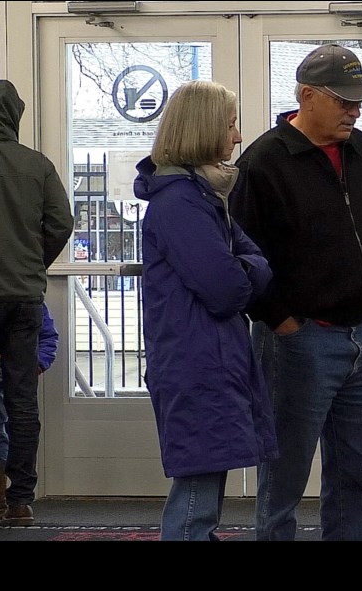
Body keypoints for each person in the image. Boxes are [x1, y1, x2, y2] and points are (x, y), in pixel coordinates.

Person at [230, 44, 362, 541]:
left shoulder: (361, 149)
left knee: (359, 473)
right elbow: (242, 256)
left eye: (359, 101)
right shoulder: (263, 162)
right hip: (298, 341)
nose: (354, 110)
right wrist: (281, 321)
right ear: (306, 95)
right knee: (284, 477)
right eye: (343, 100)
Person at [133, 79, 278, 541]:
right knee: (196, 500)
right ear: (202, 129)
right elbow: (228, 290)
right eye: (230, 125)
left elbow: (246, 259)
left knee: (203, 487)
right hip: (197, 361)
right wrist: (251, 268)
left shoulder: (200, 197)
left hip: (206, 357)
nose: (237, 137)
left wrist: (247, 265)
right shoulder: (181, 202)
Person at [0, 79, 74, 526]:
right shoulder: (37, 165)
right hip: (24, 297)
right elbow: (62, 221)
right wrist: (32, 263)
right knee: (21, 401)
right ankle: (20, 500)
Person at [0, 303, 58, 519]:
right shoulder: (29, 294)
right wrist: (38, 363)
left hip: (1, 377)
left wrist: (38, 362)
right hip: (11, 374)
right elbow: (48, 336)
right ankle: (7, 500)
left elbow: (47, 336)